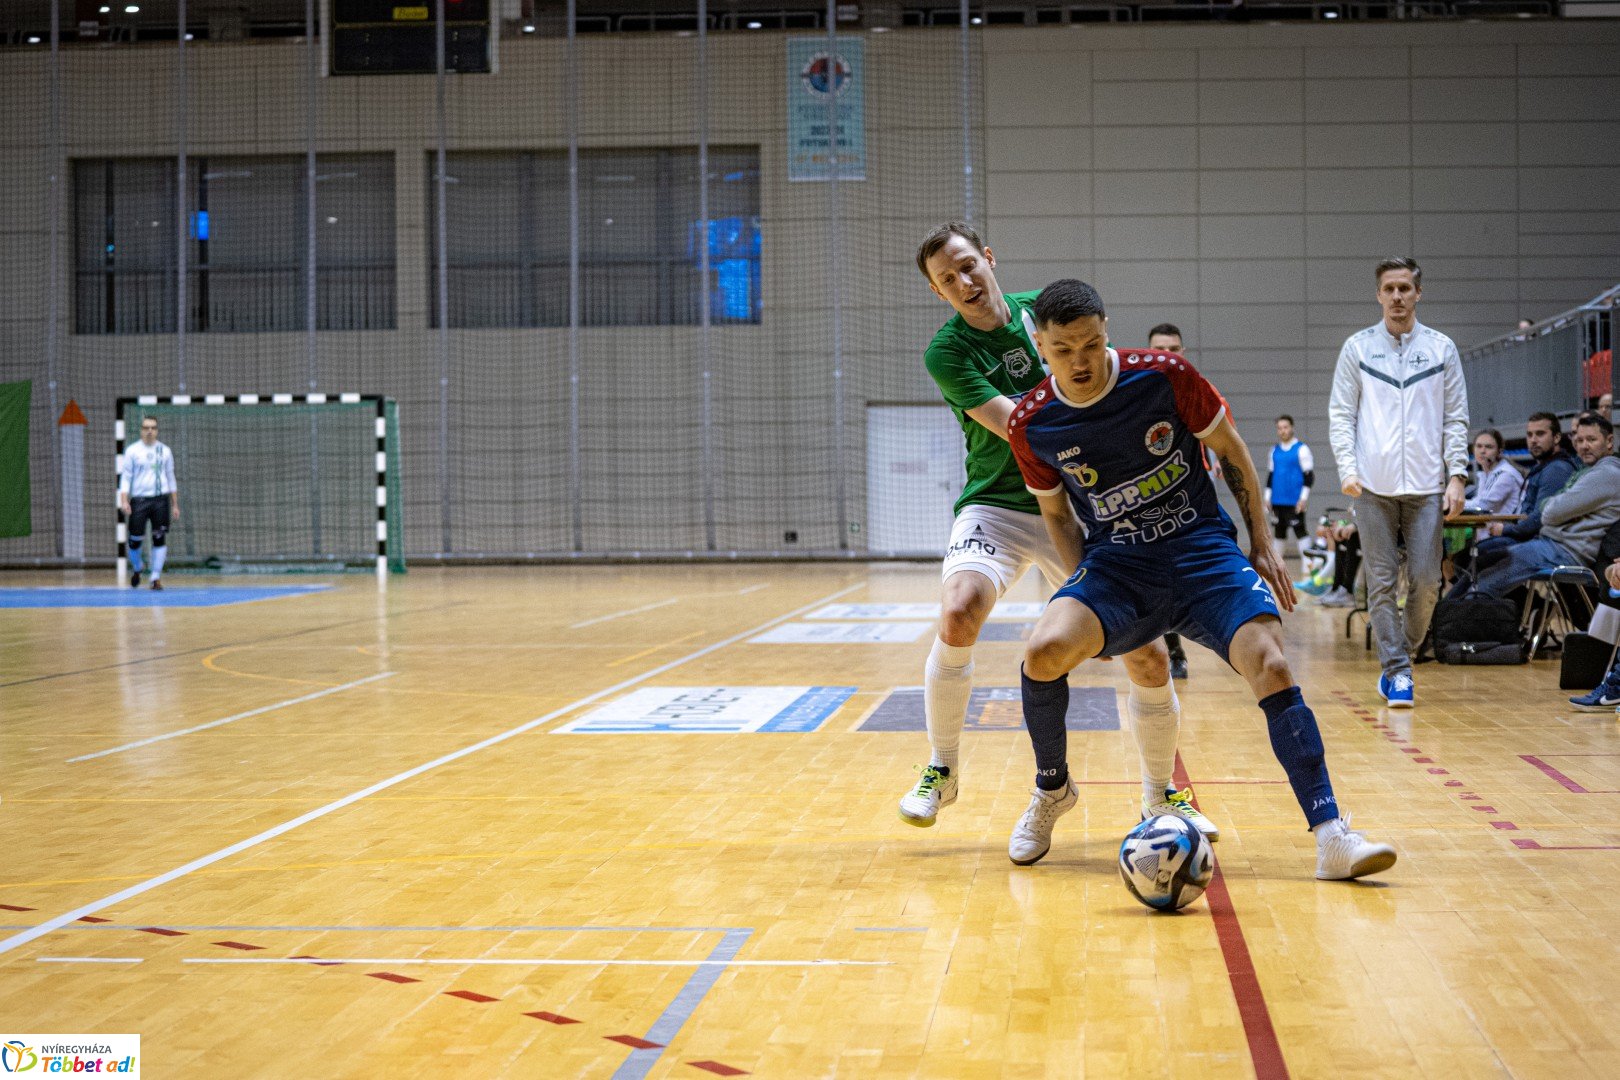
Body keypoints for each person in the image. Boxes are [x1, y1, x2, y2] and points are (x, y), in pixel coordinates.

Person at [1002, 278, 1395, 880]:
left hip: (1202, 550)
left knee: (1272, 662)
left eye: (1090, 343)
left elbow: (1234, 452)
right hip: (1119, 566)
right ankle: (1053, 788)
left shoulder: (1162, 376)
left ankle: (1332, 835)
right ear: (1040, 346)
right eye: (1063, 350)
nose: (1079, 361)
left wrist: (1260, 543)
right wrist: (1085, 593)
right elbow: (1056, 514)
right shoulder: (1033, 424)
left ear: (1106, 329)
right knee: (1044, 650)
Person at [903, 224, 1214, 842]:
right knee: (959, 611)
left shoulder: (1046, 311)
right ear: (940, 294)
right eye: (947, 279)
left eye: (968, 266)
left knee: (1148, 654)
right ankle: (943, 767)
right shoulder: (948, 353)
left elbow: (1097, 380)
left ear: (989, 259)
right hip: (998, 503)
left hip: (1075, 505)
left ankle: (1161, 794)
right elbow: (1020, 428)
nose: (963, 282)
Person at [1329, 257, 1469, 708]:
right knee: (1382, 582)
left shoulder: (1442, 348)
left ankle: (1401, 653)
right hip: (1372, 488)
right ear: (1378, 295)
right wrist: (1349, 469)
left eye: (1405, 288)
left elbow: (1456, 419)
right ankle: (1398, 671)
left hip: (1428, 487)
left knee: (1428, 582)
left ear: (1418, 293)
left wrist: (1457, 476)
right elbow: (1341, 416)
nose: (1397, 297)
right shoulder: (1357, 348)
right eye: (1389, 289)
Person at [1465, 413, 1620, 599]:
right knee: (1478, 564)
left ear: (1610, 441)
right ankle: (1449, 617)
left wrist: (1553, 505)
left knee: (1483, 579)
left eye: (1591, 439)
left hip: (1563, 551)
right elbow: (1555, 509)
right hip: (1552, 546)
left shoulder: (1606, 473)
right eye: (1579, 440)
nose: (1583, 446)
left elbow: (1548, 514)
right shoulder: (1588, 471)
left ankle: (1454, 620)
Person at [1149, 322, 1195, 681]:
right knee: (1157, 585)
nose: (1167, 355)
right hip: (1147, 512)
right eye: (1160, 348)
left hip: (1193, 509)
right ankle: (1172, 653)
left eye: (1174, 349)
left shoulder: (1199, 393)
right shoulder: (1133, 398)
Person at [119, 415, 180, 590]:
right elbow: (125, 478)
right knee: (134, 541)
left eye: (153, 428)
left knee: (159, 538)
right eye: (146, 428)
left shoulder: (165, 451)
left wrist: (174, 504)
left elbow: (170, 477)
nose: (149, 431)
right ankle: (138, 568)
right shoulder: (132, 451)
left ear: (157, 430)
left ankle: (155, 577)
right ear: (141, 430)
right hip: (139, 501)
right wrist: (124, 500)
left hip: (160, 500)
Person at [1263, 415, 1314, 562]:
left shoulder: (1302, 449)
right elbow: (1270, 476)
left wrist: (1303, 498)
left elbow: (1309, 477)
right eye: (1279, 428)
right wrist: (1267, 498)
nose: (1282, 431)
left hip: (1295, 500)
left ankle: (1308, 568)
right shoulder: (1274, 451)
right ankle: (1276, 566)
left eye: (1285, 427)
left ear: (1292, 428)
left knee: (1300, 531)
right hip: (1277, 500)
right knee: (1279, 532)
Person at [1464, 429, 1523, 516]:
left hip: (1505, 528)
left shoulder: (1506, 474)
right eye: (1479, 446)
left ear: (1499, 451)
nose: (1482, 451)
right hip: (1490, 527)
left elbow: (1483, 506)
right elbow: (1478, 502)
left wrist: (1450, 502)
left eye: (1488, 447)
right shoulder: (1485, 475)